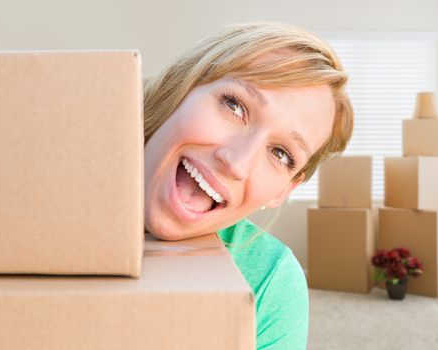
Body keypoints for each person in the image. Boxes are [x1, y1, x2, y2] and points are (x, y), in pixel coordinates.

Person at [142, 22, 354, 349]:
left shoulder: (271, 283)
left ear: (285, 190)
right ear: (179, 87)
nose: (237, 162)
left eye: (281, 154)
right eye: (234, 106)